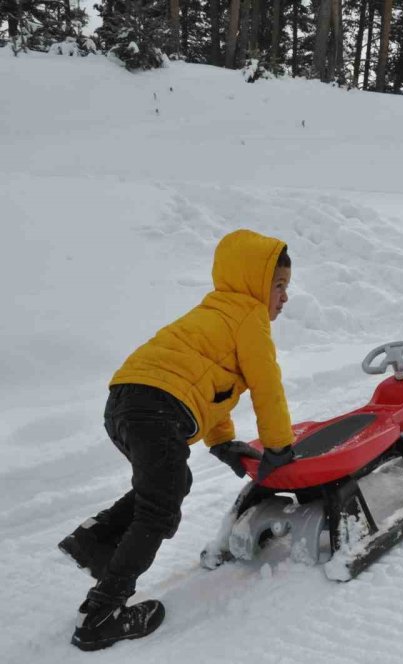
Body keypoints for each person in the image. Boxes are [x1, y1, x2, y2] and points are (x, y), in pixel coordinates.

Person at [58, 229, 297, 651]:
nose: (284, 297)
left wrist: (222, 441)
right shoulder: (249, 317)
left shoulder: (214, 312)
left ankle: (95, 540)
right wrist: (279, 446)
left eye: (286, 287)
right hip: (158, 407)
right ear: (257, 284)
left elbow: (212, 387)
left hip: (123, 402)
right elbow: (266, 386)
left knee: (167, 485)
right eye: (278, 285)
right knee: (160, 509)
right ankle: (101, 615)